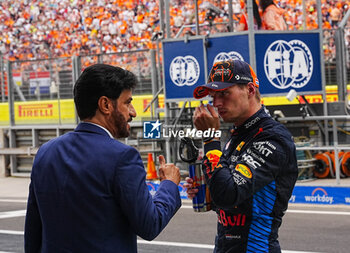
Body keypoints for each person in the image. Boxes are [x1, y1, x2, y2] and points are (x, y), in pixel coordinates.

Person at [24, 64, 182, 252]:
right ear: (105, 105)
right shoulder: (123, 157)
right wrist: (169, 185)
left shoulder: (46, 152)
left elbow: (33, 231)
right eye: (127, 103)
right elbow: (150, 224)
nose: (133, 112)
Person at [186, 59, 298, 252]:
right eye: (213, 96)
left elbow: (229, 194)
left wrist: (211, 139)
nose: (217, 103)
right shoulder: (237, 136)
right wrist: (207, 192)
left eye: (224, 94)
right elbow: (232, 198)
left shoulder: (272, 137)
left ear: (250, 90)